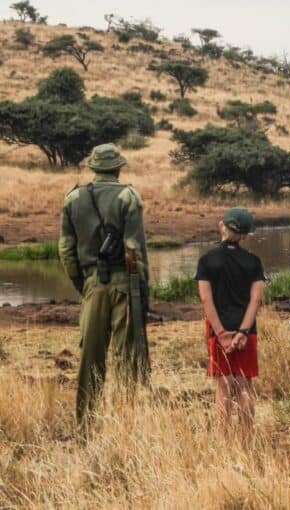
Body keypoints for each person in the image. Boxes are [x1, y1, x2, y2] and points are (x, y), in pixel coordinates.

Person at [58, 143, 150, 437]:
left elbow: (66, 250)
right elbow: (134, 248)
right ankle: (126, 427)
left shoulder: (72, 198)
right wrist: (143, 289)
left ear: (94, 168)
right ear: (118, 168)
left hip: (92, 284)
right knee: (126, 357)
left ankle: (85, 426)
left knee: (90, 358)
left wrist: (84, 284)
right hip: (126, 284)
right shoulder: (128, 196)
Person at [195, 207, 265, 446]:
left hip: (219, 332)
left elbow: (206, 300)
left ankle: (224, 440)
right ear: (245, 235)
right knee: (245, 385)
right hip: (247, 333)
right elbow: (256, 299)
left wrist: (222, 333)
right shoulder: (254, 261)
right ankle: (247, 438)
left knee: (223, 386)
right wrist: (243, 332)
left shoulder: (207, 260)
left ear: (222, 226)